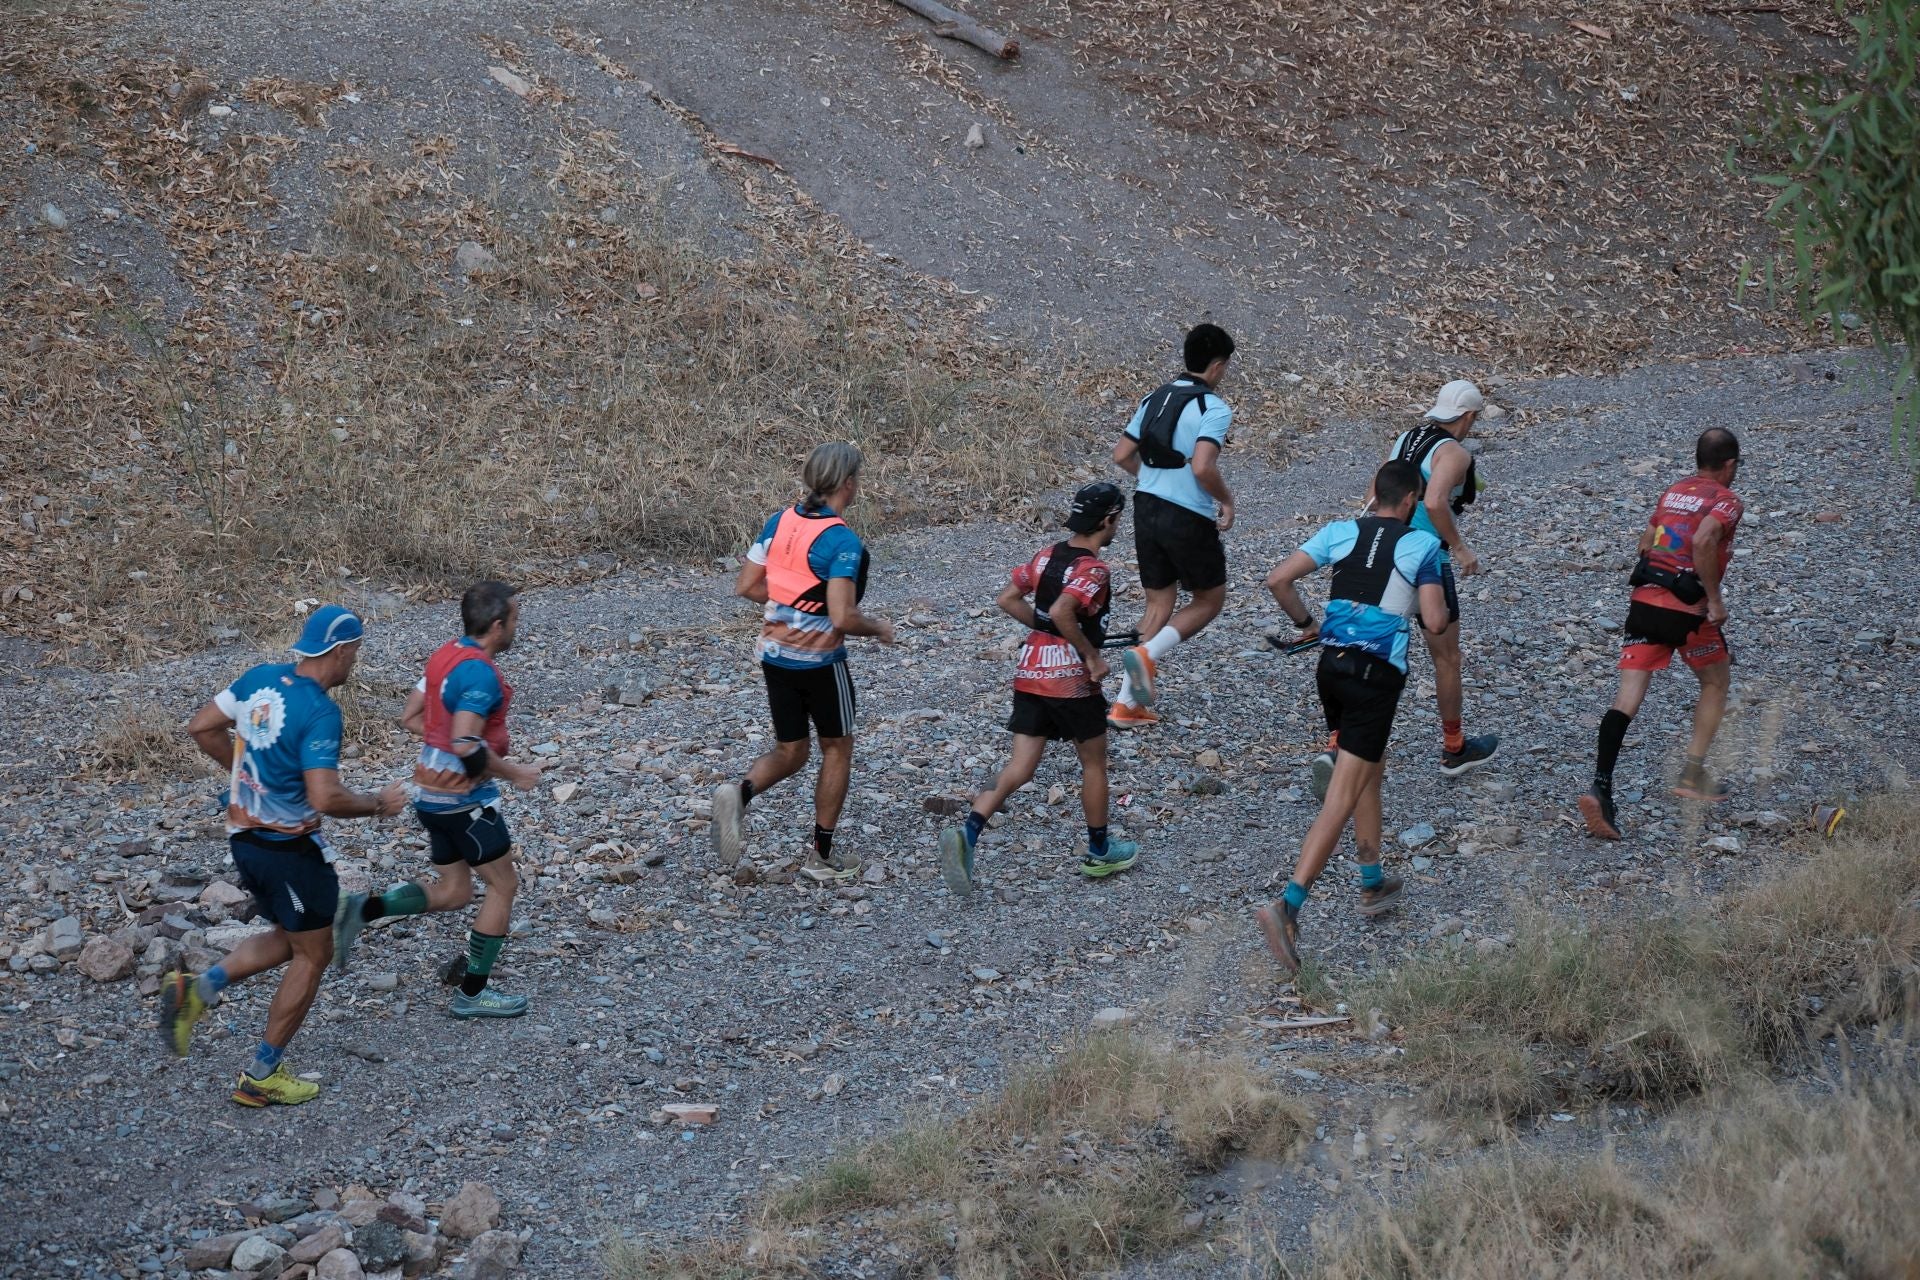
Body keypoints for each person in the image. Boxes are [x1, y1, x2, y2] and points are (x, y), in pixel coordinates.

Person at [161, 605, 407, 1106]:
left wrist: (243, 770)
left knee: (291, 936)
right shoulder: (320, 711)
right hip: (288, 850)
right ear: (338, 651)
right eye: (355, 652)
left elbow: (202, 726)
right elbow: (326, 798)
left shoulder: (260, 678)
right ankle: (261, 1075)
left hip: (245, 841)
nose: (355, 662)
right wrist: (377, 804)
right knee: (314, 955)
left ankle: (197, 991)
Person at [1254, 461, 1450, 975]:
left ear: (1374, 494)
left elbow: (1278, 579)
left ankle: (1372, 880)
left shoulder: (1340, 532)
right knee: (1342, 793)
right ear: (1411, 500)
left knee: (1369, 770)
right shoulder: (1422, 547)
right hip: (1375, 678)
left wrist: (1308, 623)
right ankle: (1288, 906)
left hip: (1331, 668)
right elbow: (1432, 620)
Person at [332, 581, 542, 1017]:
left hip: (428, 796)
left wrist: (448, 747)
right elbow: (467, 742)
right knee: (504, 886)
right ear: (498, 625)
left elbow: (411, 716)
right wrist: (515, 772)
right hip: (465, 802)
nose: (518, 628)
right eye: (516, 620)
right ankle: (472, 995)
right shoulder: (481, 673)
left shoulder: (443, 656)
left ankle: (363, 908)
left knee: (454, 890)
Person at [938, 483, 1140, 894]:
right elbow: (1066, 609)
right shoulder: (1094, 569)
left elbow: (1008, 598)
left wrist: (1042, 627)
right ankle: (1100, 850)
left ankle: (969, 833)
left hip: (1030, 672)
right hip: (1069, 680)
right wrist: (1090, 656)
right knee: (1094, 763)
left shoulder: (1047, 554)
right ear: (1108, 520)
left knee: (1020, 767)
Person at [710, 442, 895, 880]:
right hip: (819, 662)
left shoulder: (781, 521)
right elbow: (843, 617)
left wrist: (792, 606)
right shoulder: (843, 542)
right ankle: (822, 857)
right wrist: (880, 628)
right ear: (848, 483)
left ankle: (738, 794)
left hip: (774, 655)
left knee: (791, 750)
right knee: (837, 749)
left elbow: (748, 585)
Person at [1312, 380, 1499, 798]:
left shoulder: (1405, 438)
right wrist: (1460, 547)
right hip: (1423, 558)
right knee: (1447, 657)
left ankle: (1338, 744)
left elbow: (1374, 493)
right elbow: (1434, 502)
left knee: (1358, 643)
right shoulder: (1455, 452)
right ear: (1468, 417)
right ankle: (1454, 748)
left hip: (1379, 553)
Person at [1579, 429, 1743, 839]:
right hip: (1687, 612)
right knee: (1716, 681)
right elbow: (1704, 539)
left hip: (1645, 602)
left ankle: (1601, 786)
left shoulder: (1673, 493)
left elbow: (1645, 543)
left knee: (1627, 697)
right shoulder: (1726, 500)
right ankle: (1692, 774)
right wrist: (1714, 597)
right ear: (1730, 465)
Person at [1107, 322, 1238, 728]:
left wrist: (1151, 478)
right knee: (1208, 600)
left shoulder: (1154, 398)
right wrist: (1226, 499)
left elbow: (1122, 455)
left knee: (1159, 603)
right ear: (1217, 366)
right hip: (1187, 515)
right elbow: (1203, 466)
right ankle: (1148, 655)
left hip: (1145, 508)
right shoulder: (1213, 407)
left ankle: (1125, 704)